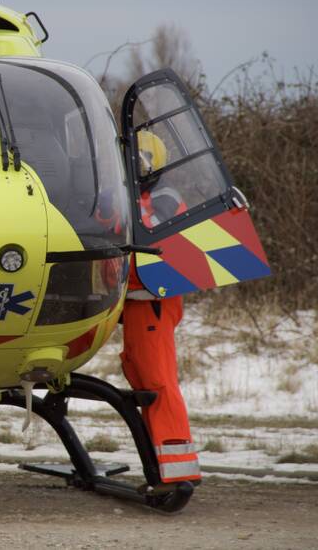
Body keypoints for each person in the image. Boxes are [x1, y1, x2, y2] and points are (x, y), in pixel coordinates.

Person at [120, 130, 201, 490]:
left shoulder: (162, 201)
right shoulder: (138, 198)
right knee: (139, 374)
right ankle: (161, 467)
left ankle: (178, 473)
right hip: (139, 303)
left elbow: (154, 246)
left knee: (158, 382)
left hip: (152, 302)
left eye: (134, 162)